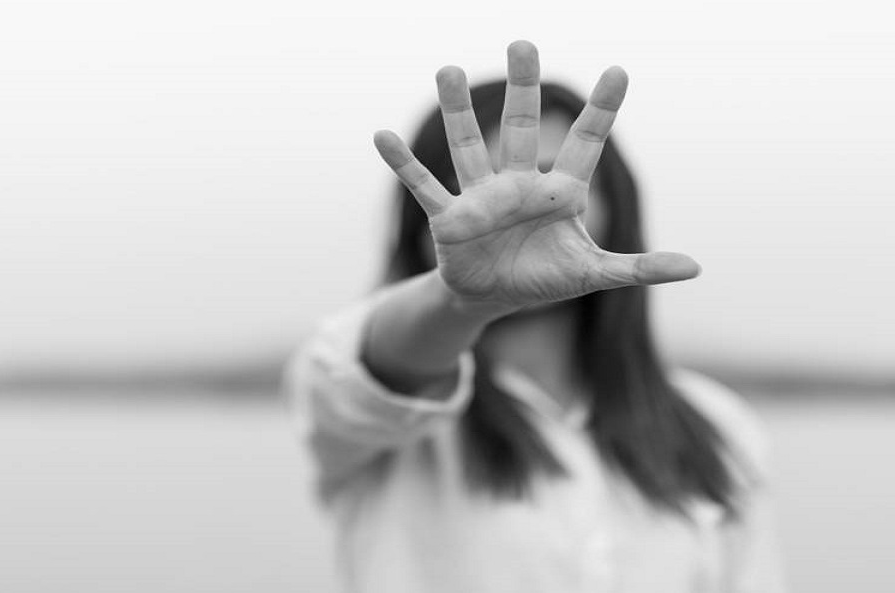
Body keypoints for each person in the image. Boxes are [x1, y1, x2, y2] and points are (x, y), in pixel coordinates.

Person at [282, 41, 785, 593]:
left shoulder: (718, 424)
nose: (517, 207)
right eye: (478, 188)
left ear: (615, 203)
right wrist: (464, 299)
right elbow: (372, 370)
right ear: (419, 221)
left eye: (547, 176)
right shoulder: (359, 409)